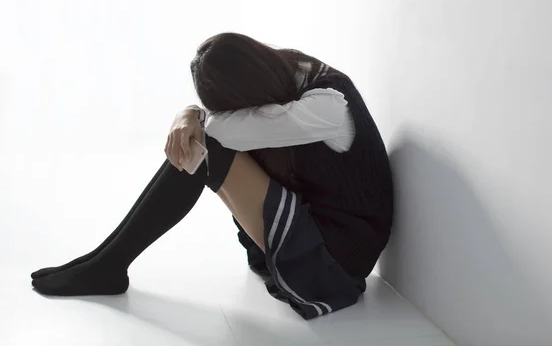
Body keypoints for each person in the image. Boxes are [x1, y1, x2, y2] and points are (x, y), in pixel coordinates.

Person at [30, 33, 394, 319]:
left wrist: (189, 115)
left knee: (206, 150)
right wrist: (192, 113)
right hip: (320, 228)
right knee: (203, 145)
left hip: (335, 262)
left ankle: (108, 265)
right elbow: (223, 124)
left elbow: (217, 132)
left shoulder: (326, 104)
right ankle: (105, 259)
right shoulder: (292, 77)